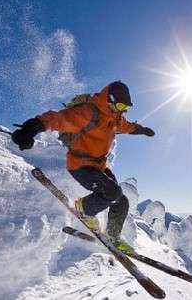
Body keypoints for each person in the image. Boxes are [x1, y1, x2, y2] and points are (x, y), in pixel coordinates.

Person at [11, 81, 154, 255]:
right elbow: (56, 119)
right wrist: (28, 130)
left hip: (99, 165)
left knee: (121, 201)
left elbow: (127, 127)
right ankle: (84, 209)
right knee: (111, 192)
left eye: (126, 107)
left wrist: (142, 130)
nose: (123, 110)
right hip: (80, 165)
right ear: (110, 100)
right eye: (121, 105)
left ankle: (112, 237)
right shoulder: (88, 113)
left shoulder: (115, 118)